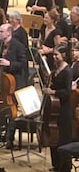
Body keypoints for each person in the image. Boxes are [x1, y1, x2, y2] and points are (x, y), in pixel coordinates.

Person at [0, 23, 27, 148]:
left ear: (9, 33)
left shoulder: (18, 46)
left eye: (1, 31)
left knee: (11, 111)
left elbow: (23, 64)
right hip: (2, 82)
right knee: (0, 109)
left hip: (13, 83)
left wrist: (9, 63)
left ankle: (10, 138)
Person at [43, 44, 72, 172]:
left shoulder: (67, 71)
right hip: (54, 108)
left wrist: (53, 92)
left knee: (63, 138)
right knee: (54, 138)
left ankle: (64, 167)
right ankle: (56, 165)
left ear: (63, 55)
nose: (54, 57)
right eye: (53, 54)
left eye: (56, 55)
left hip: (64, 109)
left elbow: (67, 92)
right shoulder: (55, 70)